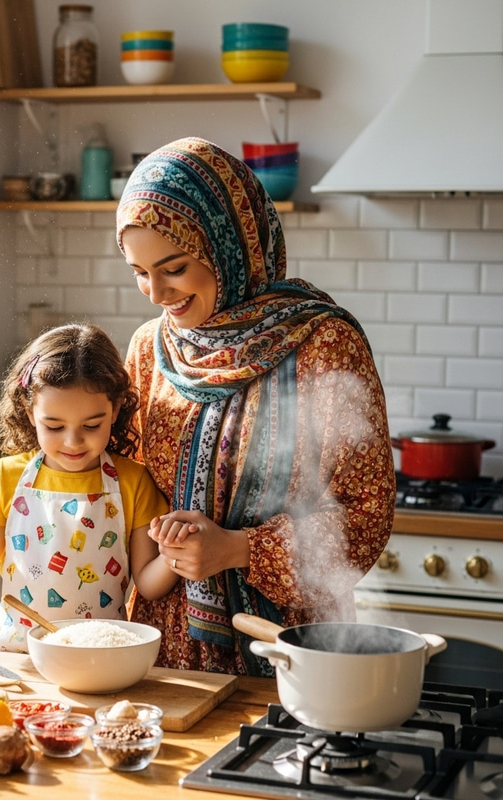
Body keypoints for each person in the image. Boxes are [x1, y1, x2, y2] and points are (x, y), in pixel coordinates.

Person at [115, 137, 396, 675]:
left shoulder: (322, 344)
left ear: (230, 244)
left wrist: (238, 549)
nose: (154, 292)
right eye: (138, 271)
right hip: (163, 646)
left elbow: (365, 516)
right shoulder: (150, 349)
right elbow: (114, 484)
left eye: (173, 268)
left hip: (286, 645)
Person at [0, 323, 173, 652]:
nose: (73, 441)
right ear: (30, 412)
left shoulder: (133, 481)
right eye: (54, 426)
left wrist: (175, 556)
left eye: (92, 425)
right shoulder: (9, 476)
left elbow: (147, 584)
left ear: (115, 409)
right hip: (17, 655)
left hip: (98, 657)